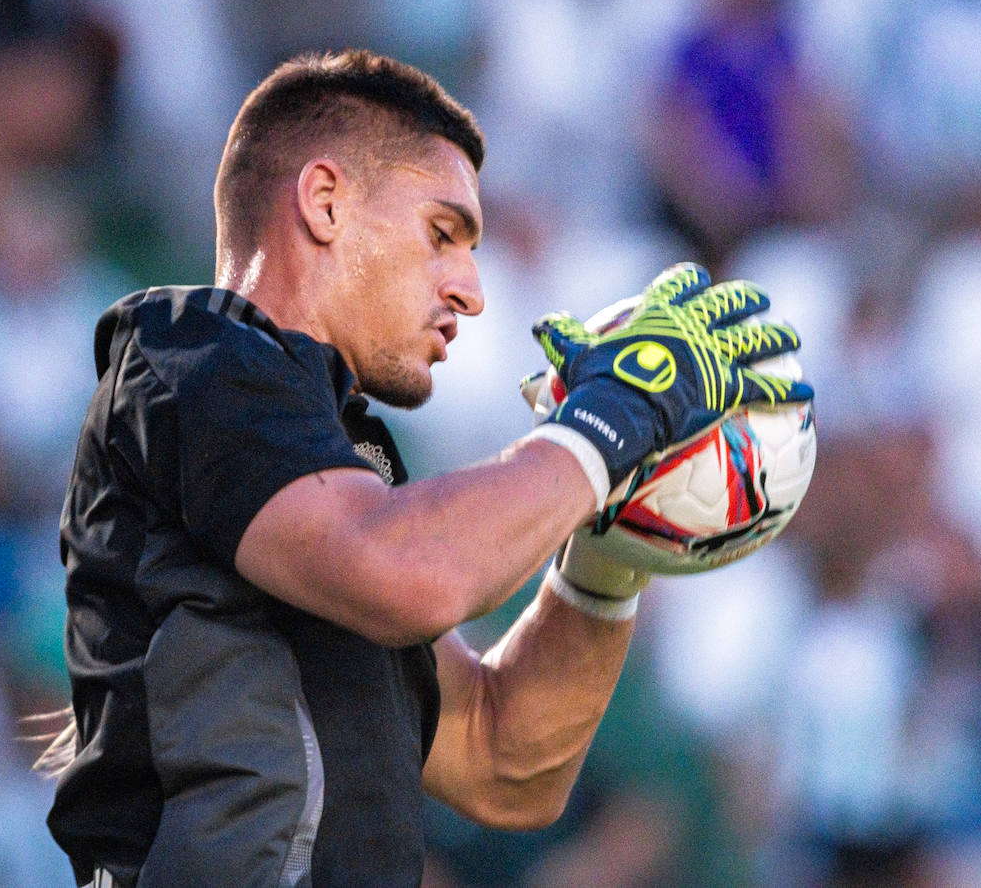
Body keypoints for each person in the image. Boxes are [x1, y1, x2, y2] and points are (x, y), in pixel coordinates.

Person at [40, 48, 812, 887]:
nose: (472, 290)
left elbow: (502, 762)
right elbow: (407, 570)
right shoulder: (192, 357)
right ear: (325, 202)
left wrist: (608, 548)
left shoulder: (336, 465)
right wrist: (607, 426)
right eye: (443, 233)